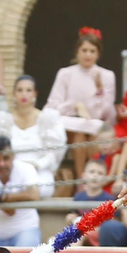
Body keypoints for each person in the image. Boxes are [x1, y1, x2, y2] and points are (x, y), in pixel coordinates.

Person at [45, 27, 116, 181]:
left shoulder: (107, 75)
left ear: (98, 54)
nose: (88, 55)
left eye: (92, 51)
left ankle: (92, 179)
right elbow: (51, 106)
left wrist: (99, 90)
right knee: (78, 135)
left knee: (89, 135)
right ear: (77, 52)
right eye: (84, 50)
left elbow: (108, 114)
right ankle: (80, 179)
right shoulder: (65, 73)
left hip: (94, 127)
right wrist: (74, 105)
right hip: (71, 126)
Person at [0, 73, 65, 195]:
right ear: (14, 93)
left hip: (40, 171)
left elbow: (54, 153)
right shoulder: (3, 120)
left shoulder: (48, 119)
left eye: (28, 90)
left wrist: (36, 165)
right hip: (10, 171)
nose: (24, 94)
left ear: (35, 94)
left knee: (42, 189)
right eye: (20, 90)